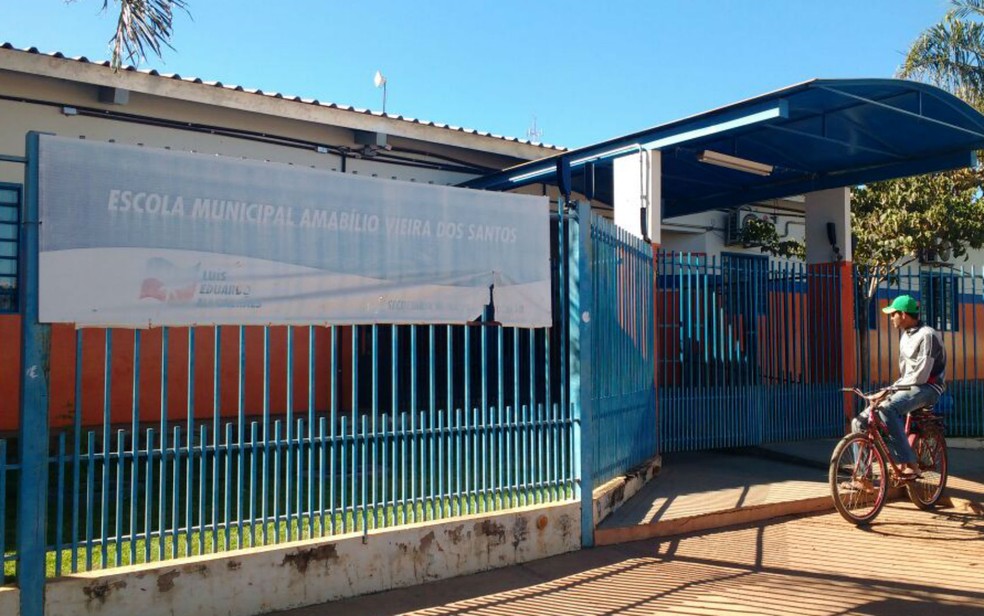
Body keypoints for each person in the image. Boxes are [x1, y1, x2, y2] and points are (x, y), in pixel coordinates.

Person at [871, 294, 947, 477]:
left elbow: (921, 375)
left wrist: (889, 391)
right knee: (862, 420)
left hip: (929, 388)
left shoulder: (927, 335)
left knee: (887, 409)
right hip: (909, 385)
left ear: (903, 314)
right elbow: (906, 373)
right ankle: (863, 478)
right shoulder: (906, 336)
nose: (891, 318)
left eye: (893, 314)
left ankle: (910, 465)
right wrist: (890, 389)